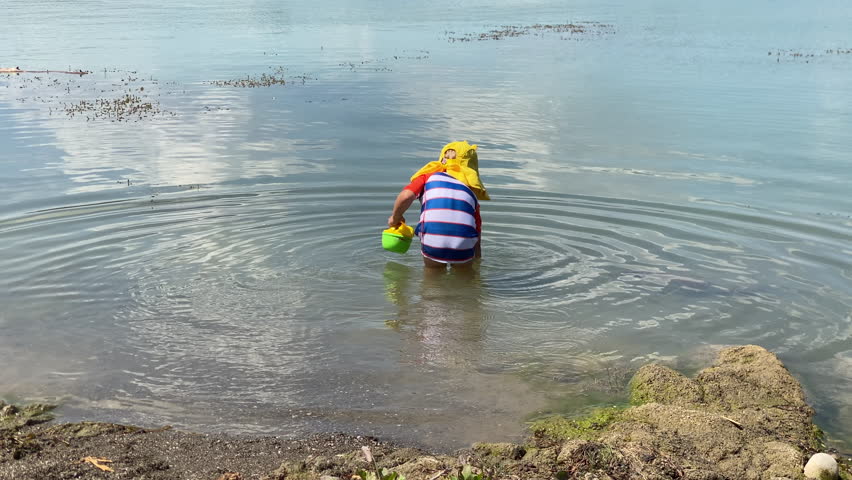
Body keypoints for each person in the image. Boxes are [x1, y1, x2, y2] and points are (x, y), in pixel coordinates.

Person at [387, 141, 490, 268]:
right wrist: (477, 261)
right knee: (466, 278)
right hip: (464, 243)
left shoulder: (428, 177)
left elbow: (406, 196)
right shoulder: (471, 193)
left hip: (433, 240)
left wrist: (395, 218)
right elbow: (477, 238)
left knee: (431, 279)